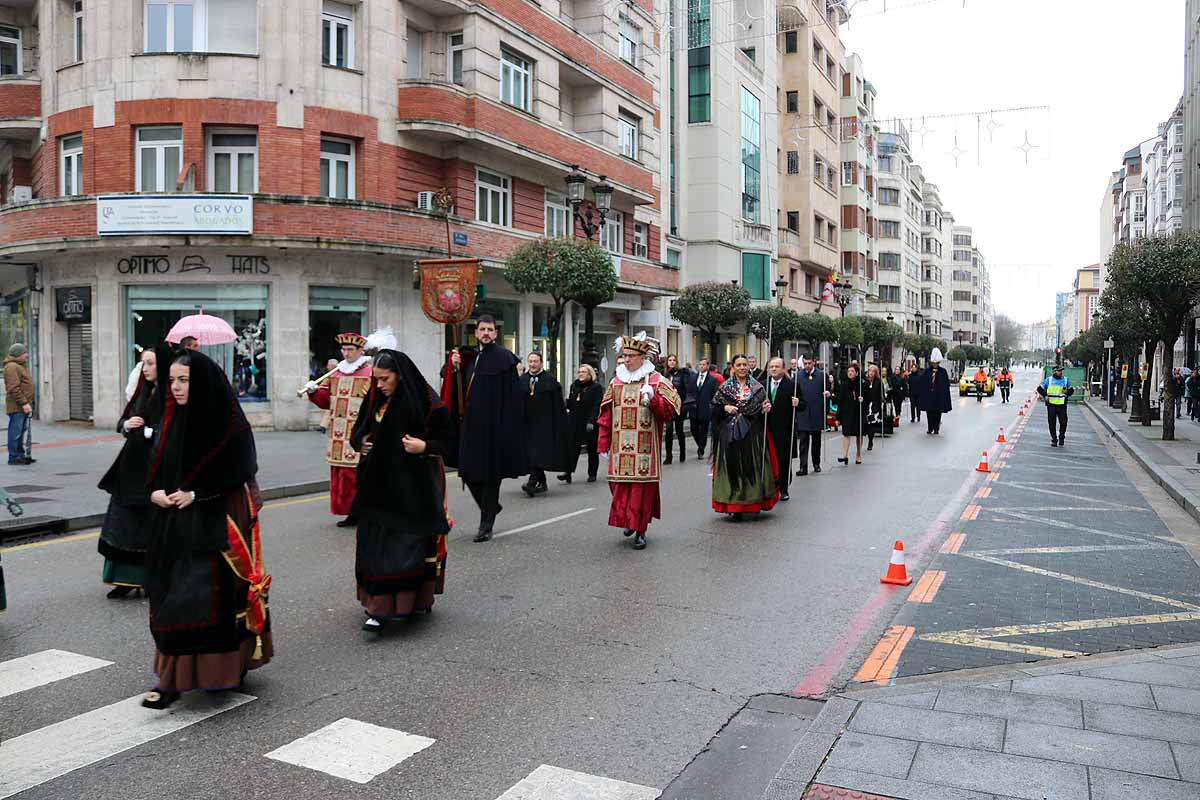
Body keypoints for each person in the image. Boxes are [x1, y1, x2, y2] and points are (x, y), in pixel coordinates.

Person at [142, 349, 272, 710]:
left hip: (216, 521)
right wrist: (155, 492)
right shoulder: (171, 420)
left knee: (206, 598)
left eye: (184, 380)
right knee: (171, 597)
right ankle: (172, 678)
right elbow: (155, 469)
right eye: (172, 381)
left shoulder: (228, 423)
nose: (177, 388)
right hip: (175, 525)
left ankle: (220, 671)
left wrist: (197, 493)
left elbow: (239, 468)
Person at [348, 349, 451, 632]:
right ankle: (377, 605)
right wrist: (361, 442)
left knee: (405, 544)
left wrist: (424, 447)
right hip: (378, 483)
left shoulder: (426, 401)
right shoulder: (375, 399)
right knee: (374, 543)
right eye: (376, 379)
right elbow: (359, 430)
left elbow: (449, 441)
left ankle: (407, 602)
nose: (379, 385)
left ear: (400, 377)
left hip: (413, 484)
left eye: (385, 379)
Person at [597, 333, 680, 549]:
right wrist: (603, 443)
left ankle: (640, 530)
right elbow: (606, 416)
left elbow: (669, 412)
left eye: (631, 356)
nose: (627, 360)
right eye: (624, 356)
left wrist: (653, 399)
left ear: (643, 357)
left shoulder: (656, 381)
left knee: (640, 494)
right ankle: (629, 520)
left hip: (644, 451)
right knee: (618, 488)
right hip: (619, 450)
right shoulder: (616, 381)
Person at [453, 315, 527, 542]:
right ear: (476, 333)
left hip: (495, 428)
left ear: (496, 334)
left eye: (490, 329)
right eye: (482, 329)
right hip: (472, 427)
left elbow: (513, 397)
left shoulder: (505, 359)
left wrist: (508, 428)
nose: (486, 333)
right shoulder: (470, 359)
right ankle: (492, 506)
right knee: (467, 471)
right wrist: (453, 366)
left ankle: (486, 526)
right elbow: (456, 385)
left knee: (491, 476)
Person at [97, 349, 161, 599]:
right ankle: (122, 580)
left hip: (153, 469)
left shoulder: (168, 394)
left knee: (145, 526)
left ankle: (148, 578)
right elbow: (123, 420)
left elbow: (173, 427)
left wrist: (149, 431)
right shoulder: (142, 391)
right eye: (143, 363)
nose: (145, 368)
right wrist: (127, 424)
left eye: (150, 363)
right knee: (121, 522)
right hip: (130, 466)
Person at [305, 333, 373, 527]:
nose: (346, 353)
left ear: (361, 351)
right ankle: (351, 512)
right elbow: (326, 401)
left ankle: (365, 513)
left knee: (360, 475)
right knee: (343, 475)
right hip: (338, 434)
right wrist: (314, 392)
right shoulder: (335, 374)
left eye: (350, 350)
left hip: (359, 432)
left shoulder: (370, 373)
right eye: (344, 350)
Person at [711, 354, 778, 519]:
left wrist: (766, 409)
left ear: (749, 367)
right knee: (732, 468)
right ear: (733, 367)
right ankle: (734, 505)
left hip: (752, 434)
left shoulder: (757, 388)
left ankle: (753, 502)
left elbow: (763, 409)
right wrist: (725, 408)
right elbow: (714, 408)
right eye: (738, 365)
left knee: (751, 467)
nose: (742, 368)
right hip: (730, 433)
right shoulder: (725, 387)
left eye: (744, 365)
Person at [519, 352, 568, 497]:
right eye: (530, 361)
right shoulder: (522, 380)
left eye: (535, 361)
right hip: (527, 424)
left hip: (545, 425)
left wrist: (560, 423)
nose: (533, 364)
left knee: (538, 453)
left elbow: (558, 405)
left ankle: (531, 483)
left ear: (541, 362)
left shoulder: (550, 381)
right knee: (531, 454)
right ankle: (542, 482)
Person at [764, 357, 801, 501]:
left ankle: (784, 488)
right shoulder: (762, 385)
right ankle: (771, 486)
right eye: (771, 366)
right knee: (769, 459)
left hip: (785, 429)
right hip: (767, 429)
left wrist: (797, 402)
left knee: (784, 460)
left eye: (777, 366)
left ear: (783, 369)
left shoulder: (792, 385)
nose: (774, 369)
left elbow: (803, 405)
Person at [559, 364, 604, 483]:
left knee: (592, 449)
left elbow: (596, 406)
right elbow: (572, 403)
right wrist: (564, 403)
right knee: (572, 448)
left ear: (590, 374)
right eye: (579, 372)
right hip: (575, 421)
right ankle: (568, 472)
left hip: (589, 422)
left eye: (583, 372)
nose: (580, 374)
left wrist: (592, 421)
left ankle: (592, 473)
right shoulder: (575, 385)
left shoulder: (596, 388)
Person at [794, 356, 827, 476]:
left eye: (809, 363)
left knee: (816, 441)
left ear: (814, 362)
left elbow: (829, 390)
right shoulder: (798, 376)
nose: (807, 365)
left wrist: (828, 393)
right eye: (805, 363)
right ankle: (803, 467)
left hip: (817, 411)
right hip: (803, 412)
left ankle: (816, 463)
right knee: (803, 442)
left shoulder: (822, 375)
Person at [4, 343, 33, 466]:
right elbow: (13, 388)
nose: (26, 355)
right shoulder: (11, 367)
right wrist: (24, 403)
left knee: (21, 431)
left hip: (22, 405)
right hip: (17, 406)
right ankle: (14, 456)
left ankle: (20, 455)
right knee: (15, 432)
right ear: (18, 354)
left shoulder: (19, 365)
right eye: (24, 353)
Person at [663, 354, 695, 464]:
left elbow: (686, 389)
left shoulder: (682, 374)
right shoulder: (664, 375)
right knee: (668, 430)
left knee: (679, 430)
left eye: (674, 360)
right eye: (670, 360)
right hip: (667, 407)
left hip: (679, 406)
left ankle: (682, 453)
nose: (672, 362)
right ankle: (668, 456)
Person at [913, 348, 953, 435]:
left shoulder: (943, 372)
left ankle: (936, 428)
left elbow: (945, 385)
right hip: (929, 396)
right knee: (929, 412)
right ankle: (930, 427)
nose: (935, 364)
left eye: (937, 363)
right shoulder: (927, 371)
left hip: (938, 396)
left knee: (937, 413)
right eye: (934, 363)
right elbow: (922, 382)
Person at [690, 358, 723, 459]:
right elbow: (690, 391)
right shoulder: (693, 378)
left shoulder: (712, 380)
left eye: (703, 365)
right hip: (694, 408)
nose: (701, 366)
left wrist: (712, 406)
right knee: (693, 429)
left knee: (704, 430)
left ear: (708, 366)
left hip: (705, 409)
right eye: (700, 364)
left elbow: (715, 394)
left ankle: (701, 449)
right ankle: (699, 443)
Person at [1038, 364, 1074, 447]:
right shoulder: (1049, 380)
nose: (1061, 372)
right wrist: (1045, 395)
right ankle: (1054, 439)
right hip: (1051, 405)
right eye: (1059, 371)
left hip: (1062, 405)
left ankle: (1061, 437)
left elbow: (1071, 391)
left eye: (1061, 371)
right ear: (1054, 372)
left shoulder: (1066, 380)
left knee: (1064, 422)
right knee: (1052, 423)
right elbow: (1039, 388)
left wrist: (1067, 392)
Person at [836, 362, 865, 465]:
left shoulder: (862, 384)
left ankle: (858, 454)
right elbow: (840, 401)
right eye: (849, 371)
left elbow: (868, 397)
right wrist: (838, 417)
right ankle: (844, 455)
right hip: (847, 412)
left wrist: (862, 399)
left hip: (858, 411)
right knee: (846, 433)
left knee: (858, 434)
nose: (850, 373)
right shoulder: (844, 384)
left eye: (852, 371)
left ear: (857, 373)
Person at [862, 363, 885, 451]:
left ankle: (870, 441)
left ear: (876, 373)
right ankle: (867, 436)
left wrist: (882, 401)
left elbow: (881, 395)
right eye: (869, 371)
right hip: (866, 405)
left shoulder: (878, 382)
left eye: (873, 371)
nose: (871, 373)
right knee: (866, 424)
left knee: (872, 424)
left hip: (875, 406)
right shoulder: (864, 381)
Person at [903, 357, 921, 424]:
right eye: (912, 367)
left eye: (914, 367)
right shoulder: (910, 376)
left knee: (918, 406)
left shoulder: (919, 375)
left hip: (918, 393)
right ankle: (913, 418)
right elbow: (907, 383)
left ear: (917, 368)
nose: (913, 369)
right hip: (912, 393)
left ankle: (918, 416)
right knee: (912, 406)